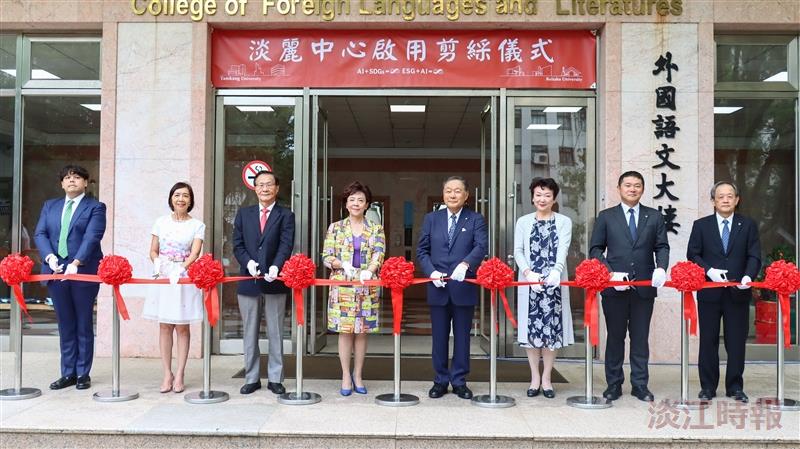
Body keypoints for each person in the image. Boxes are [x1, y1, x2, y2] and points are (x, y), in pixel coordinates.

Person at [589, 170, 669, 402]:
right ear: (619, 188)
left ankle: (640, 385)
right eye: (627, 185)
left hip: (643, 288)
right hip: (614, 288)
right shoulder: (606, 216)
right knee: (615, 337)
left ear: (642, 189)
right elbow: (595, 249)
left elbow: (662, 246)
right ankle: (614, 384)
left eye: (637, 185)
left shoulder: (654, 217)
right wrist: (609, 274)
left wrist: (661, 268)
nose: (632, 189)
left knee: (640, 337)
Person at [34, 164, 106, 390]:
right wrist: (49, 258)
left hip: (82, 271)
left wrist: (76, 262)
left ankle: (83, 373)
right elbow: (40, 233)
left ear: (86, 183)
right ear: (61, 183)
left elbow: (92, 236)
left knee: (83, 322)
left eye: (77, 177)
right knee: (65, 323)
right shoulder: (50, 206)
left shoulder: (95, 207)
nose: (72, 180)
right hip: (55, 271)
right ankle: (68, 373)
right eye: (67, 177)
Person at [687, 181, 760, 403]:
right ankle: (707, 387)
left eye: (730, 196)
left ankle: (735, 387)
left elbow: (754, 255)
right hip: (709, 293)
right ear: (713, 201)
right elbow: (693, 254)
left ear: (737, 200)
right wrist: (708, 270)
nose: (725, 200)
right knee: (708, 340)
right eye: (721, 196)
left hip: (738, 292)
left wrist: (748, 276)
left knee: (736, 341)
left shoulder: (747, 225)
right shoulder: (701, 225)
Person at [417, 176, 488, 400]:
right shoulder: (432, 218)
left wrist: (466, 264)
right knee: (438, 338)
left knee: (462, 338)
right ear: (443, 194)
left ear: (466, 196)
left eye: (458, 191)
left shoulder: (475, 219)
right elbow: (422, 250)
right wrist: (431, 272)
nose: (453, 195)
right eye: (448, 190)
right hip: (437, 286)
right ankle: (440, 381)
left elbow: (481, 245)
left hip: (463, 286)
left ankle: (459, 381)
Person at [232, 170, 294, 395]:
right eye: (260, 185)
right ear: (254, 188)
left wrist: (276, 266)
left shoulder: (285, 215)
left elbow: (286, 244)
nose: (265, 188)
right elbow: (237, 244)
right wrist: (248, 263)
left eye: (269, 185)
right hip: (249, 281)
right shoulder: (243, 214)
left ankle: (276, 378)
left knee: (276, 331)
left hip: (275, 280)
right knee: (249, 331)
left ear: (276, 188)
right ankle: (252, 377)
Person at [322, 181, 386, 396]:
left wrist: (371, 269)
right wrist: (342, 265)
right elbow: (326, 256)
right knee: (345, 331)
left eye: (360, 200)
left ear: (367, 204)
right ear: (346, 203)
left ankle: (358, 374)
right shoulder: (335, 227)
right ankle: (345, 375)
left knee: (362, 332)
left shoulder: (375, 228)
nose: (356, 203)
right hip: (342, 286)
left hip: (366, 286)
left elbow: (379, 253)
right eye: (352, 200)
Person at [513, 178, 574, 399]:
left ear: (554, 198)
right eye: (538, 194)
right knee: (531, 333)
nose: (542, 199)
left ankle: (547, 378)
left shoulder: (564, 221)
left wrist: (556, 271)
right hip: (530, 284)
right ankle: (534, 378)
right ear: (532, 196)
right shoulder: (523, 221)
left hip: (553, 285)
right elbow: (518, 250)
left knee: (551, 333)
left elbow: (563, 249)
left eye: (547, 195)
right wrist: (528, 273)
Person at [142, 182, 205, 394]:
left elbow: (195, 253)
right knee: (165, 325)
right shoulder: (160, 222)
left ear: (190, 200)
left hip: (184, 277)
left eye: (185, 196)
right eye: (177, 195)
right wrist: (158, 263)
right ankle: (167, 372)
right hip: (163, 276)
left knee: (182, 326)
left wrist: (181, 268)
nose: (181, 199)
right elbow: (152, 250)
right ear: (171, 198)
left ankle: (180, 373)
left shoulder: (197, 225)